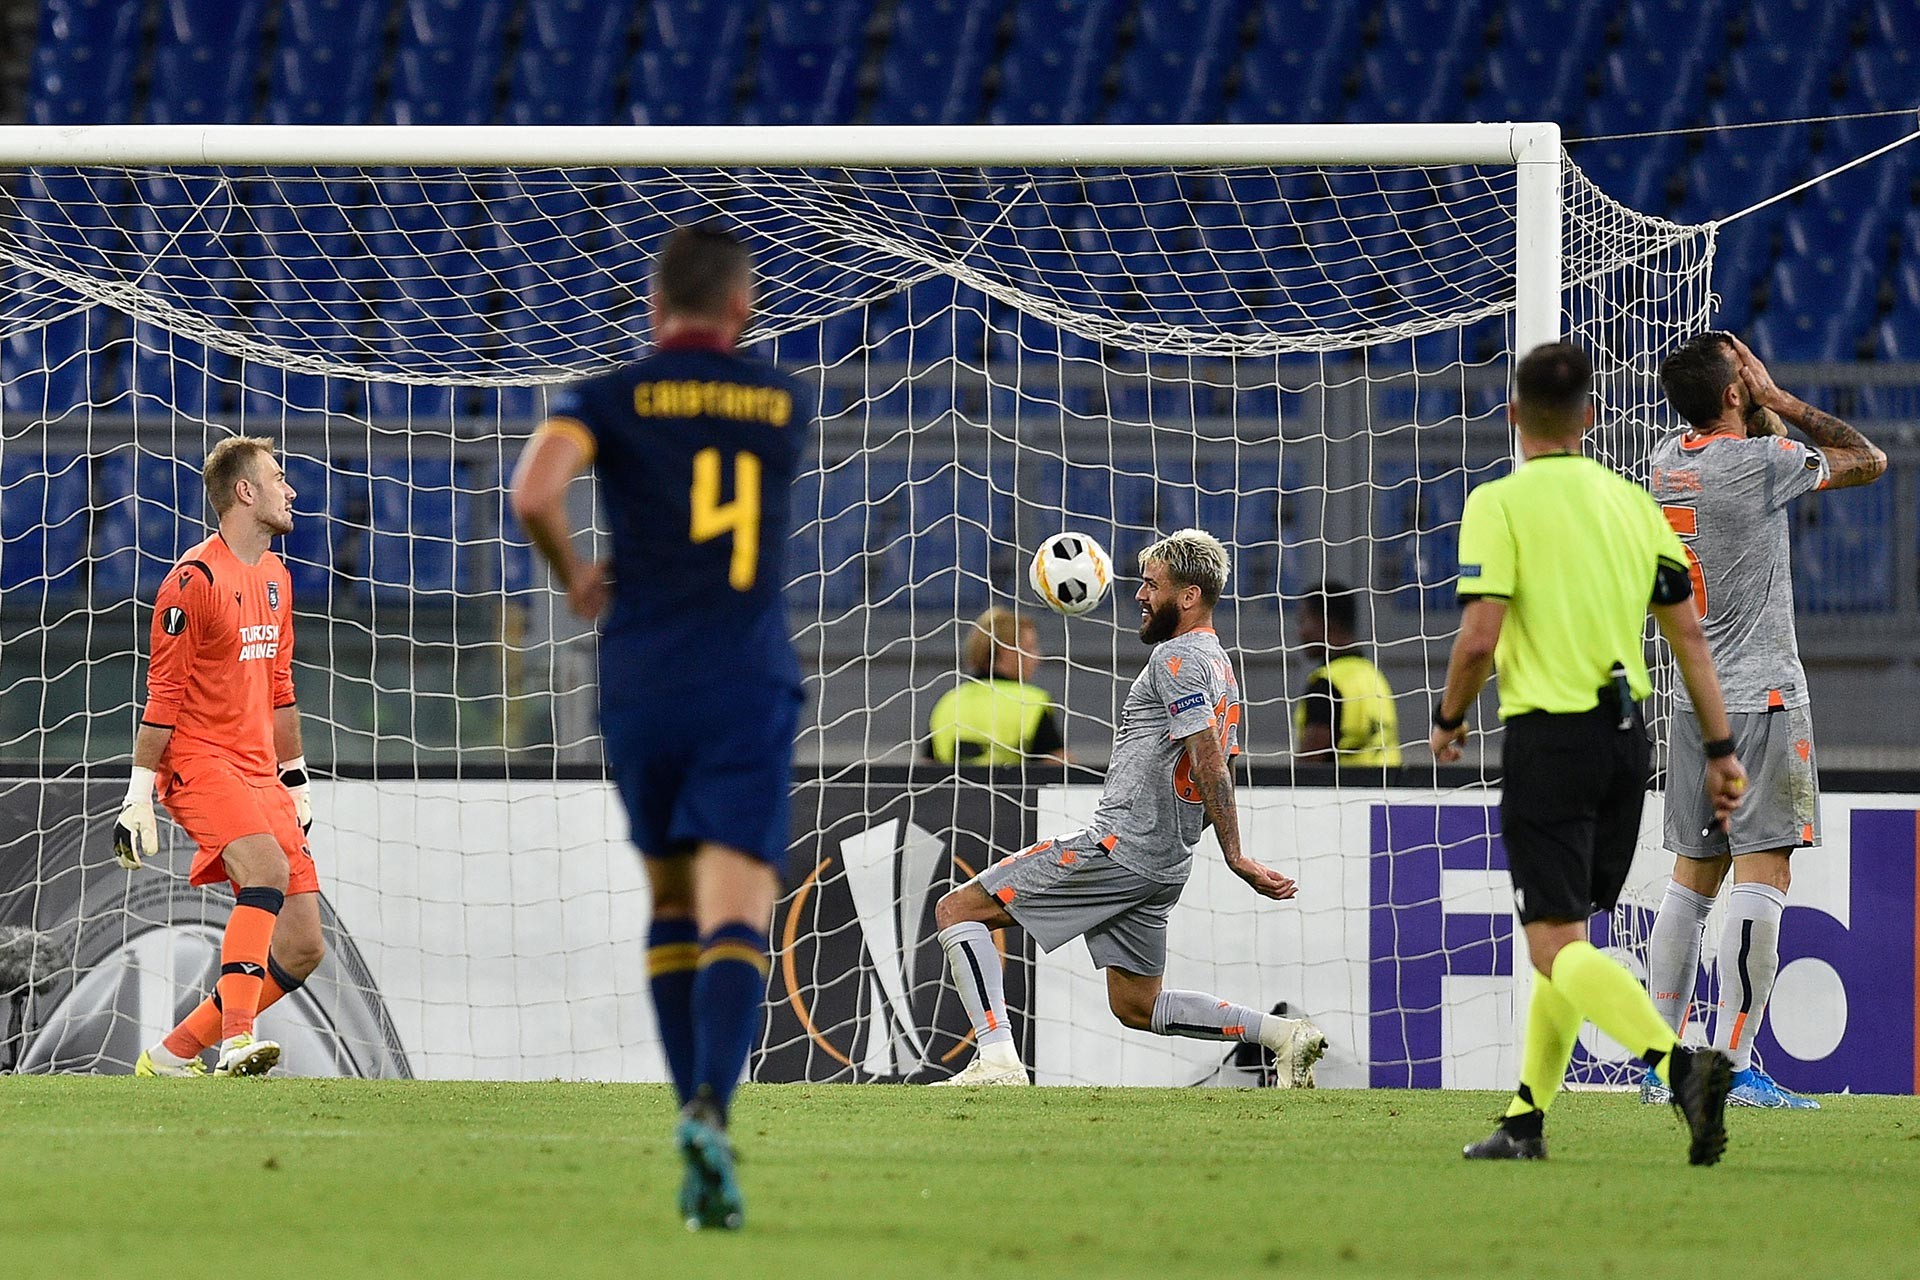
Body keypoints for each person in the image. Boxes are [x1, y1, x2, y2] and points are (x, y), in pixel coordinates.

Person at [509, 223, 807, 1233]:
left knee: (672, 902)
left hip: (640, 682)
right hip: (743, 677)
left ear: (652, 305)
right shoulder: (779, 402)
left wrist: (573, 573)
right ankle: (710, 1113)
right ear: (741, 305)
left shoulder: (607, 398)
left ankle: (688, 1107)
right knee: (740, 910)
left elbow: (533, 491)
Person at [1429, 341, 1746, 1165]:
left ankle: (1680, 1067)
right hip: (1626, 742)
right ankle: (1525, 1119)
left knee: (1554, 943)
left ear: (1512, 418)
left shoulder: (1500, 503)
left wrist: (1450, 715)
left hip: (1551, 736)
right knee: (1563, 936)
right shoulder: (1633, 506)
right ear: (1592, 418)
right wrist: (1719, 750)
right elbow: (1690, 639)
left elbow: (1480, 636)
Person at [929, 528, 1327, 1088]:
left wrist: (1236, 856)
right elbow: (1218, 765)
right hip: (1164, 864)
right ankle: (1283, 1036)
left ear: (1187, 597)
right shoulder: (1219, 665)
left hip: (1120, 849)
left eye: (1151, 585)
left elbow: (1210, 760)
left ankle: (996, 1059)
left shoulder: (1178, 661)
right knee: (1138, 1005)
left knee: (958, 911)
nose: (1139, 595)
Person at [1640, 332, 1887, 1110]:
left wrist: (1747, 404)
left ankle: (1662, 1065)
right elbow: (1867, 458)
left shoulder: (1665, 458)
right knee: (1765, 874)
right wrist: (1779, 399)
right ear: (1736, 395)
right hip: (1764, 699)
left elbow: (1749, 443)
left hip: (1692, 701)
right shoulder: (1758, 464)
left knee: (1690, 881)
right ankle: (1733, 1067)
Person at [115, 436, 327, 1079]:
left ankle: (172, 1055)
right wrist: (139, 792)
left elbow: (281, 687)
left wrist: (294, 777)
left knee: (303, 944)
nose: (290, 491)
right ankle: (237, 1039)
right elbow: (165, 693)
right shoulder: (192, 581)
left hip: (261, 767)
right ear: (245, 492)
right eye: (278, 478)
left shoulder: (277, 578)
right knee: (263, 871)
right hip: (199, 762)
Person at [925, 607, 1067, 765]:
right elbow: (1057, 768)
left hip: (955, 790)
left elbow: (927, 769)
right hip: (1008, 790)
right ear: (1007, 650)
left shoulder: (948, 702)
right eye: (1030, 648)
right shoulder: (1031, 702)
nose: (1037, 658)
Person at [1293, 579, 1400, 765]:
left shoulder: (1325, 685)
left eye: (1303, 620)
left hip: (1346, 792)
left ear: (1327, 622)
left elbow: (1309, 764)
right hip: (1389, 788)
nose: (1300, 632)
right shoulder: (1374, 676)